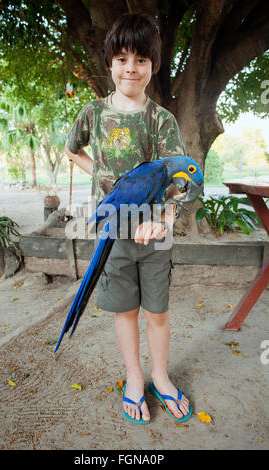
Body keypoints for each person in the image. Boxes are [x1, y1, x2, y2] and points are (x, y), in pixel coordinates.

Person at [65, 12, 191, 424]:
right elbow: (72, 150)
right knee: (126, 311)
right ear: (110, 64)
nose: (131, 68)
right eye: (122, 59)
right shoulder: (93, 113)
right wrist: (104, 179)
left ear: (153, 66)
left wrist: (165, 219)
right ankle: (134, 377)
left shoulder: (162, 120)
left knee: (157, 311)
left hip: (156, 233)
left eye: (140, 60)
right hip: (113, 233)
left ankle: (160, 375)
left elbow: (178, 183)